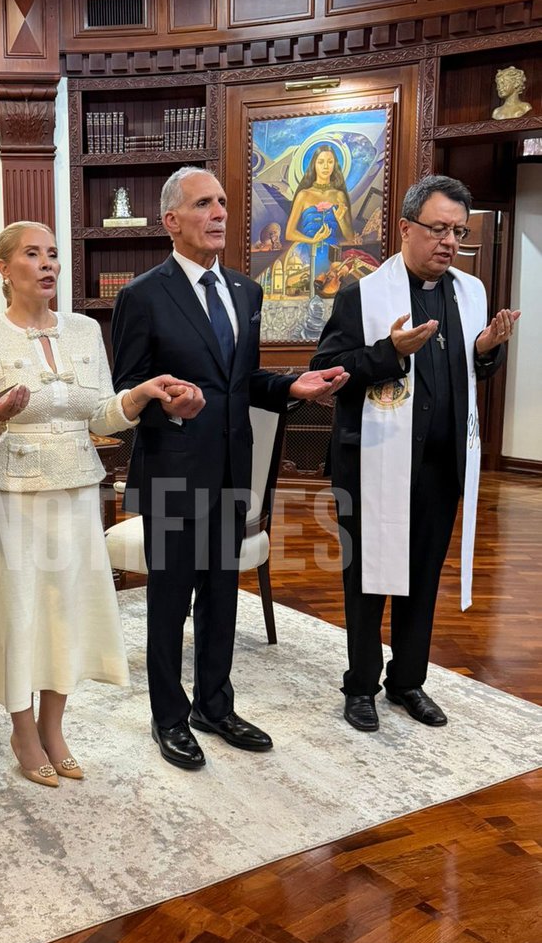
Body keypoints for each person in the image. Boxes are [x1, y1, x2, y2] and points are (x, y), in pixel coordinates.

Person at [112, 167, 348, 770]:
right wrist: (168, 401)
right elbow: (127, 391)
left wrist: (294, 384)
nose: (219, 213)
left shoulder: (246, 291)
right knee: (169, 602)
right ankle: (170, 716)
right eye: (203, 204)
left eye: (222, 202)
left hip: (228, 470)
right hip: (170, 469)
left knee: (221, 595)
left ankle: (214, 705)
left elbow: (240, 382)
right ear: (171, 221)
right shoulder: (142, 295)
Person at [0, 221, 191, 786]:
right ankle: (21, 726)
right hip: (12, 495)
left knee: (66, 609)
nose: (48, 264)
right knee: (20, 609)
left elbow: (101, 415)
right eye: (32, 255)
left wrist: (138, 396)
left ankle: (54, 725)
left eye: (53, 255)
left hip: (80, 489)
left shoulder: (85, 330)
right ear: (4, 268)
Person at [310, 174, 520, 732]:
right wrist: (386, 352)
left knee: (423, 577)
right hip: (372, 461)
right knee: (368, 579)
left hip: (439, 466)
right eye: (438, 229)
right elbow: (325, 372)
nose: (449, 241)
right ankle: (360, 686)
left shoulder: (470, 293)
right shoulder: (363, 295)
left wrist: (486, 352)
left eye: (458, 230)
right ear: (406, 229)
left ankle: (407, 682)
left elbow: (469, 374)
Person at [285, 142, 355, 246]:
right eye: (321, 162)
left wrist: (340, 220)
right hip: (307, 252)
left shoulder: (339, 195)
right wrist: (312, 241)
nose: (325, 166)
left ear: (334, 165)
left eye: (330, 162)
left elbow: (350, 238)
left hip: (333, 253)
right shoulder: (303, 195)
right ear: (314, 165)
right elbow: (289, 234)